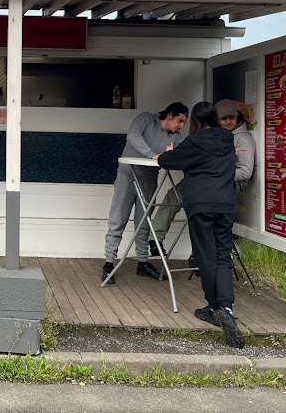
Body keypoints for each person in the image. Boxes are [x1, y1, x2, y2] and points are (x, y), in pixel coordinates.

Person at [157, 101, 244, 348]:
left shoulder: (194, 143)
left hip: (202, 206)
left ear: (195, 122)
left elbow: (166, 161)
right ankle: (226, 307)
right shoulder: (227, 140)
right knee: (223, 255)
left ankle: (213, 307)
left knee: (206, 257)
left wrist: (171, 150)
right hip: (226, 205)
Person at [149, 98, 256, 258]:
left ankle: (200, 254)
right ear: (215, 119)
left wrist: (215, 173)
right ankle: (155, 240)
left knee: (199, 208)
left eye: (231, 118)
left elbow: (246, 172)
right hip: (205, 180)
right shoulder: (214, 136)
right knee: (173, 196)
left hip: (225, 184)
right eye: (223, 118)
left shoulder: (243, 138)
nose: (228, 122)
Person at [101, 102, 188, 285]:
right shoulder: (147, 119)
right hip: (127, 175)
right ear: (169, 114)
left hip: (149, 178)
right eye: (179, 121)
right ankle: (109, 262)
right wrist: (152, 154)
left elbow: (190, 149)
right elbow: (132, 135)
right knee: (118, 219)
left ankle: (143, 262)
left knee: (144, 221)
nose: (181, 126)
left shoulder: (177, 137)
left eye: (184, 123)